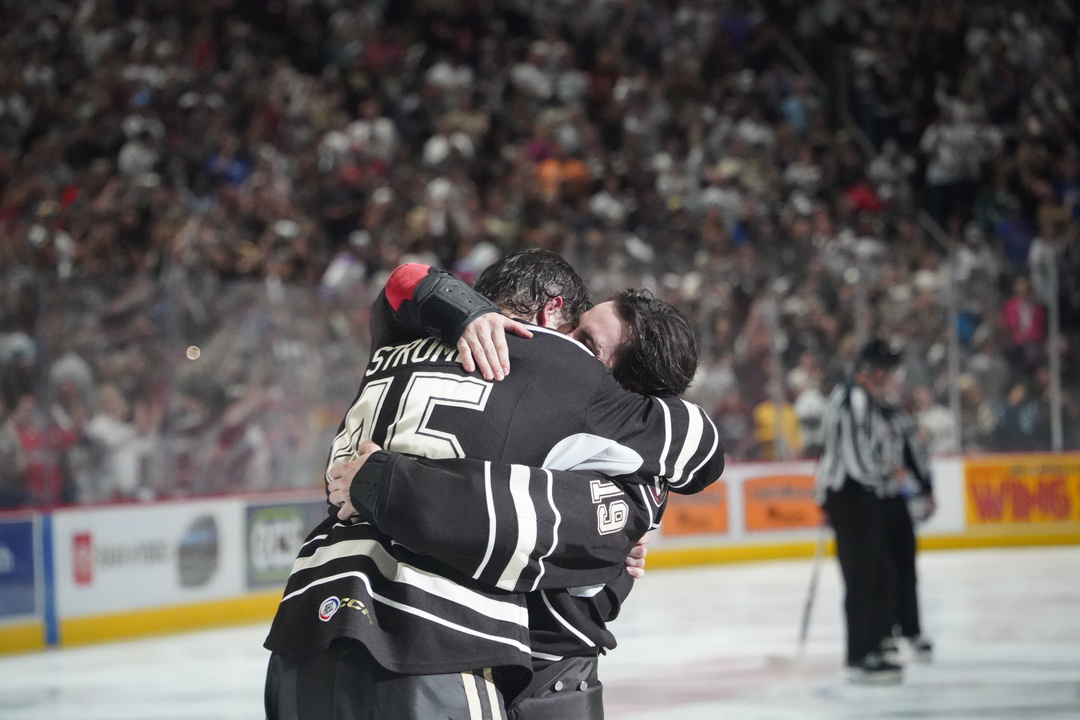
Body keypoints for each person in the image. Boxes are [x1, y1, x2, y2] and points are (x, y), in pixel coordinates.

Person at [264, 249, 724, 719]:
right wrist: (615, 535)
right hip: (440, 639)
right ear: (551, 310)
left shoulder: (397, 341)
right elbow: (701, 449)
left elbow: (404, 281)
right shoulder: (567, 370)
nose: (570, 341)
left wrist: (453, 305)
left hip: (304, 621)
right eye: (576, 329)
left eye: (587, 340)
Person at [813, 339, 911, 684]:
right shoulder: (851, 399)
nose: (889, 378)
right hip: (851, 495)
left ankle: (872, 644)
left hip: (857, 494)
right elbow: (854, 461)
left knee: (874, 572)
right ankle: (860, 653)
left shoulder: (864, 399)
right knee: (861, 576)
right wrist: (886, 477)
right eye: (886, 370)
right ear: (875, 370)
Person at [878, 401, 936, 664]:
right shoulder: (861, 416)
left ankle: (911, 629)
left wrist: (926, 488)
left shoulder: (898, 418)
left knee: (906, 568)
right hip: (875, 500)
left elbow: (914, 455)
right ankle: (886, 630)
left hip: (900, 503)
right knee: (882, 569)